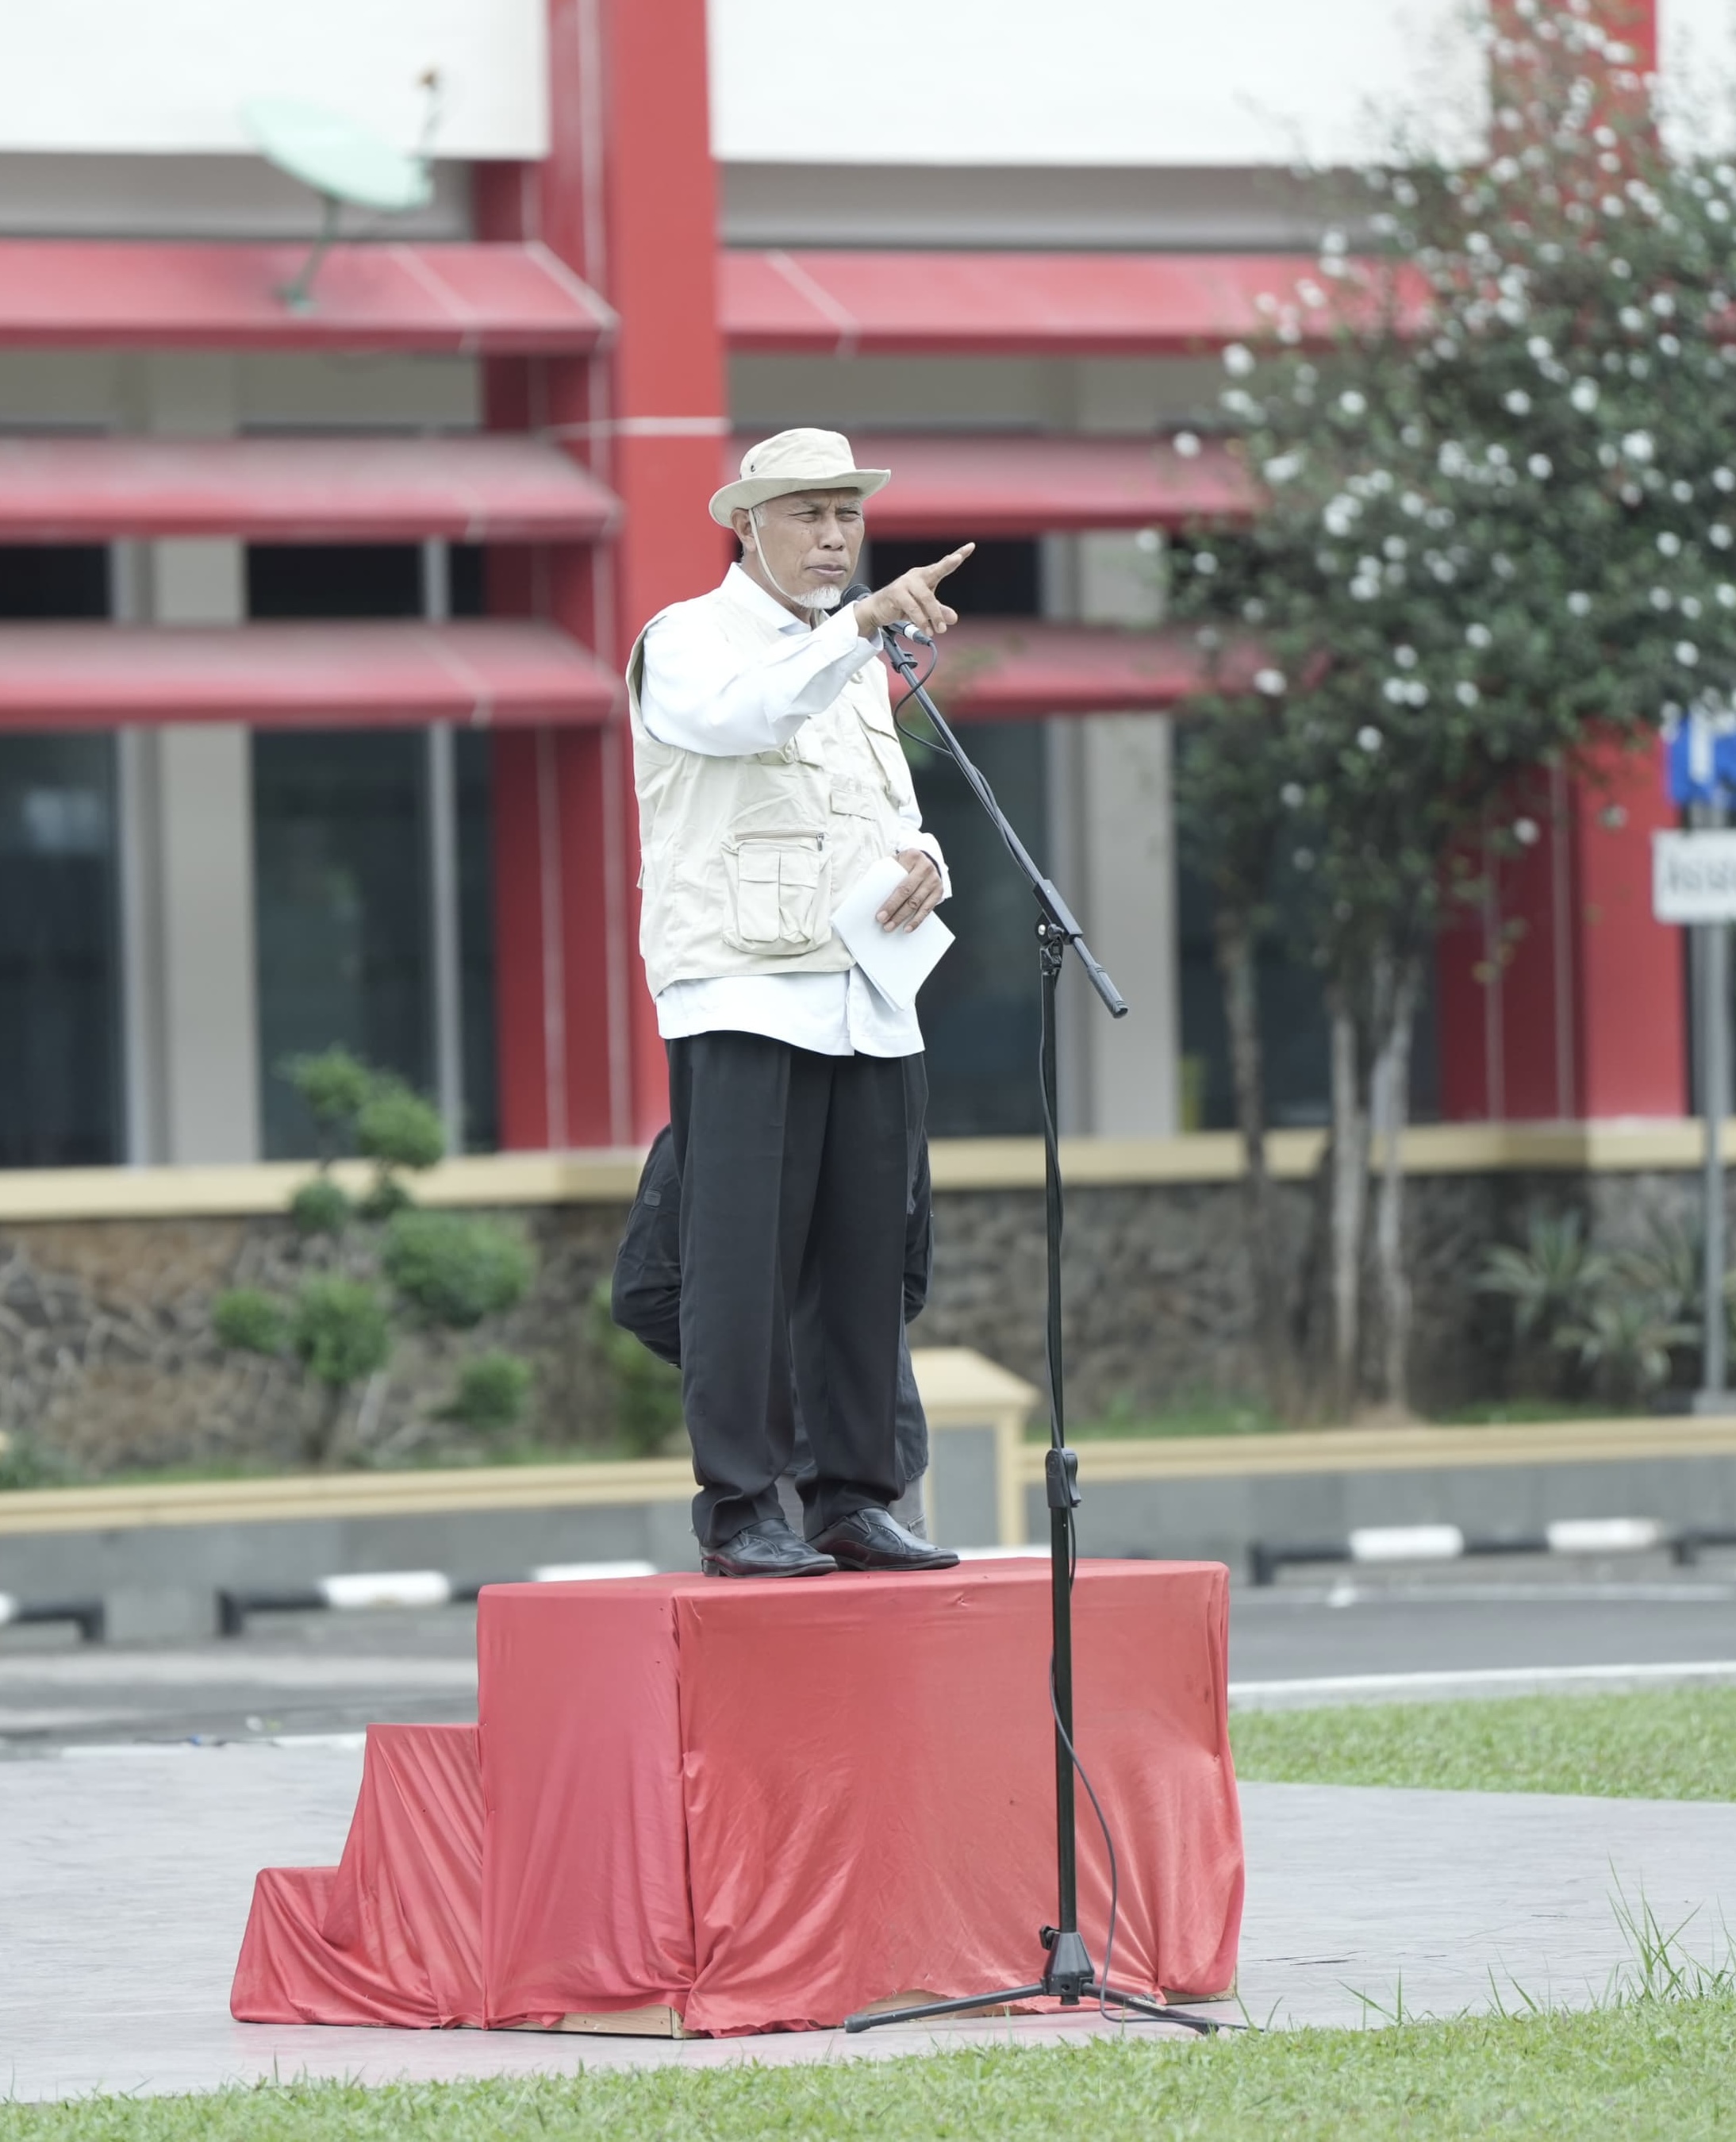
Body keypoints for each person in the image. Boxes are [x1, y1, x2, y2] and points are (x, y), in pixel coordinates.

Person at [625, 426, 972, 1577]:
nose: (834, 536)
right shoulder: (686, 638)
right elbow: (746, 719)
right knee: (740, 1263)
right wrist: (860, 627)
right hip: (744, 987)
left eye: (847, 514)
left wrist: (928, 859)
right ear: (746, 524)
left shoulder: (853, 655)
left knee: (867, 1256)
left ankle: (854, 1496)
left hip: (866, 991)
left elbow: (887, 809)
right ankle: (740, 1507)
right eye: (808, 513)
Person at [611, 1124, 934, 1534]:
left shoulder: (703, 1129)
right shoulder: (895, 1122)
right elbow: (908, 1287)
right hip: (853, 1462)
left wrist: (750, 1367)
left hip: (787, 1469)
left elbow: (643, 1294)